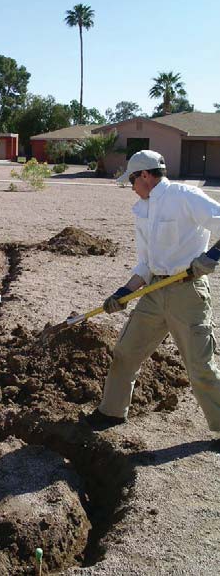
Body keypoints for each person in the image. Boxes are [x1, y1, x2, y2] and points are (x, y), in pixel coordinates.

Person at [86, 149, 220, 441]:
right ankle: (111, 411)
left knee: (201, 367)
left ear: (145, 175)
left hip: (188, 292)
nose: (131, 188)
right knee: (126, 352)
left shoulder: (184, 196)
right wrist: (122, 293)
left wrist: (212, 256)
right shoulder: (143, 210)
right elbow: (146, 264)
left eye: (132, 181)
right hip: (153, 292)